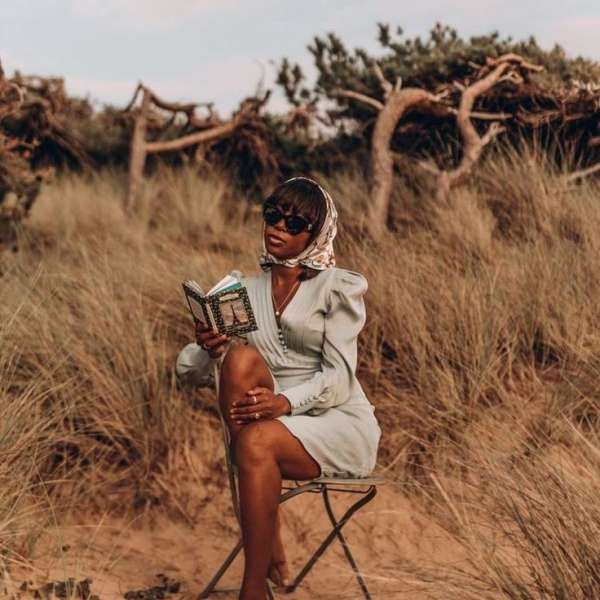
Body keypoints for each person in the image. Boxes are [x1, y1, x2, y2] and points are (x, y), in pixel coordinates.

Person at [176, 176, 382, 600]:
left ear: (316, 234)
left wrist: (284, 402)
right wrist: (207, 349)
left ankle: (253, 588)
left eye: (294, 223)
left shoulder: (337, 288)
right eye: (273, 216)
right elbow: (189, 376)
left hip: (335, 419)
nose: (278, 228)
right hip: (265, 423)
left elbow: (340, 378)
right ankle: (270, 549)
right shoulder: (242, 291)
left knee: (254, 441)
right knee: (238, 360)